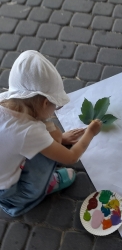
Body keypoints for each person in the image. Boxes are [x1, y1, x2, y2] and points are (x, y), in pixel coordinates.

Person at [0, 50, 102, 217]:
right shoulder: (30, 131)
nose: (57, 109)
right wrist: (90, 132)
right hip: (6, 191)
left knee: (49, 132)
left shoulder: (5, 99)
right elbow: (71, 158)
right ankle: (33, 192)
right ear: (45, 102)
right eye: (56, 105)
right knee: (48, 145)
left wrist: (59, 137)